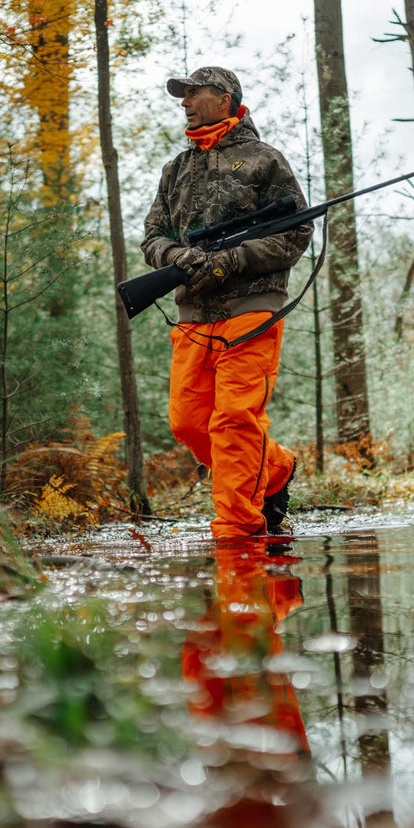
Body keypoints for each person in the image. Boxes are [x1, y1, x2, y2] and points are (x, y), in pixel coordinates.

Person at [142, 66, 312, 540]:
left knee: (235, 421)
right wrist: (178, 256)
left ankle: (237, 537)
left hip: (253, 310)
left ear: (226, 99)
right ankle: (275, 468)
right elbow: (153, 235)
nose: (185, 102)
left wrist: (233, 260)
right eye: (183, 94)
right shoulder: (176, 169)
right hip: (194, 315)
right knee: (189, 423)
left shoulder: (264, 160)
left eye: (195, 93)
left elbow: (297, 232)